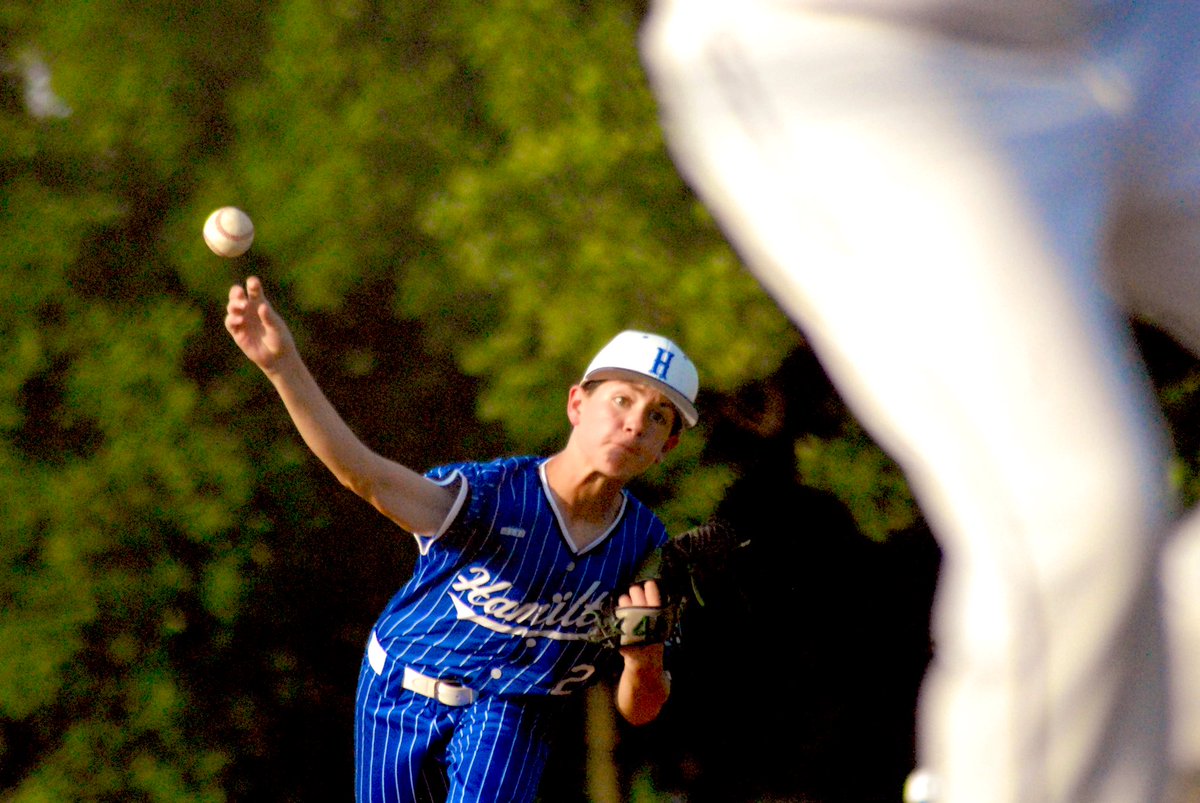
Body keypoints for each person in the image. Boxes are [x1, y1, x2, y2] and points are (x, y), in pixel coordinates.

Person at [639, 2, 1200, 802]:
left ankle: (1124, 738)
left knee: (1095, 564)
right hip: (857, 55)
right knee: (1076, 519)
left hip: (1149, 24)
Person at [224, 276, 699, 802]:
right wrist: (280, 365)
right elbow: (366, 476)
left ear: (667, 446)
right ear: (576, 405)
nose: (635, 423)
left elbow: (642, 708)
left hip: (514, 712)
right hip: (397, 688)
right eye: (621, 400)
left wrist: (644, 660)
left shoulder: (647, 547)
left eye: (657, 417)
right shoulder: (492, 495)